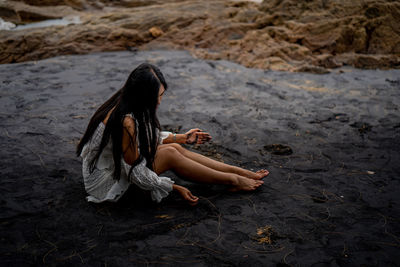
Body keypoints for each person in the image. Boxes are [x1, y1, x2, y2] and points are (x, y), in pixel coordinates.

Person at [76, 63, 269, 205]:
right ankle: (233, 180)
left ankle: (238, 172)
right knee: (171, 154)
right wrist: (172, 187)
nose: (159, 102)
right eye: (157, 96)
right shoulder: (126, 121)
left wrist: (182, 137)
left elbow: (145, 136)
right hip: (105, 183)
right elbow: (136, 173)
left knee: (174, 147)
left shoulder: (124, 101)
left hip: (111, 167)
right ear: (143, 95)